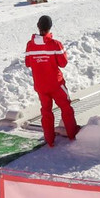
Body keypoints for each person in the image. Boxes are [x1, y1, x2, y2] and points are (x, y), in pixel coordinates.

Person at [25, 15, 79, 147]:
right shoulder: (55, 44)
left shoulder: (30, 45)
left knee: (46, 111)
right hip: (56, 84)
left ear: (38, 26)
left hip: (40, 85)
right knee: (66, 108)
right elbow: (63, 63)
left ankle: (49, 140)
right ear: (50, 27)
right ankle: (72, 134)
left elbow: (28, 63)